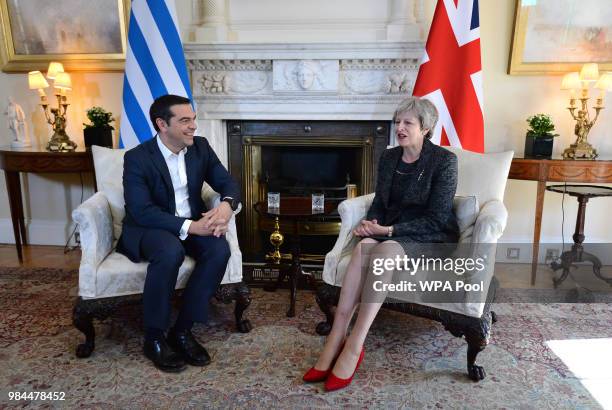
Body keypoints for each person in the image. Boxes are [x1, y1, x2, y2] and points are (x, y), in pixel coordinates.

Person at [303, 96, 459, 391]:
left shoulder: (444, 161)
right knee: (363, 247)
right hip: (391, 229)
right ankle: (337, 335)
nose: (399, 127)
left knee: (384, 251)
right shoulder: (389, 157)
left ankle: (355, 344)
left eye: (407, 123)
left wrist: (387, 230)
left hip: (430, 235)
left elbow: (437, 218)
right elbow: (380, 202)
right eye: (397, 121)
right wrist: (370, 222)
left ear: (425, 128)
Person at [117, 94, 241, 373]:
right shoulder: (137, 158)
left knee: (219, 250)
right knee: (170, 251)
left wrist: (226, 206)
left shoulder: (201, 148)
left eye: (194, 119)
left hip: (191, 220)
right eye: (185, 120)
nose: (193, 126)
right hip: (151, 227)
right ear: (162, 124)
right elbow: (140, 210)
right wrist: (191, 227)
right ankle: (155, 336)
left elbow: (228, 182)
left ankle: (182, 330)